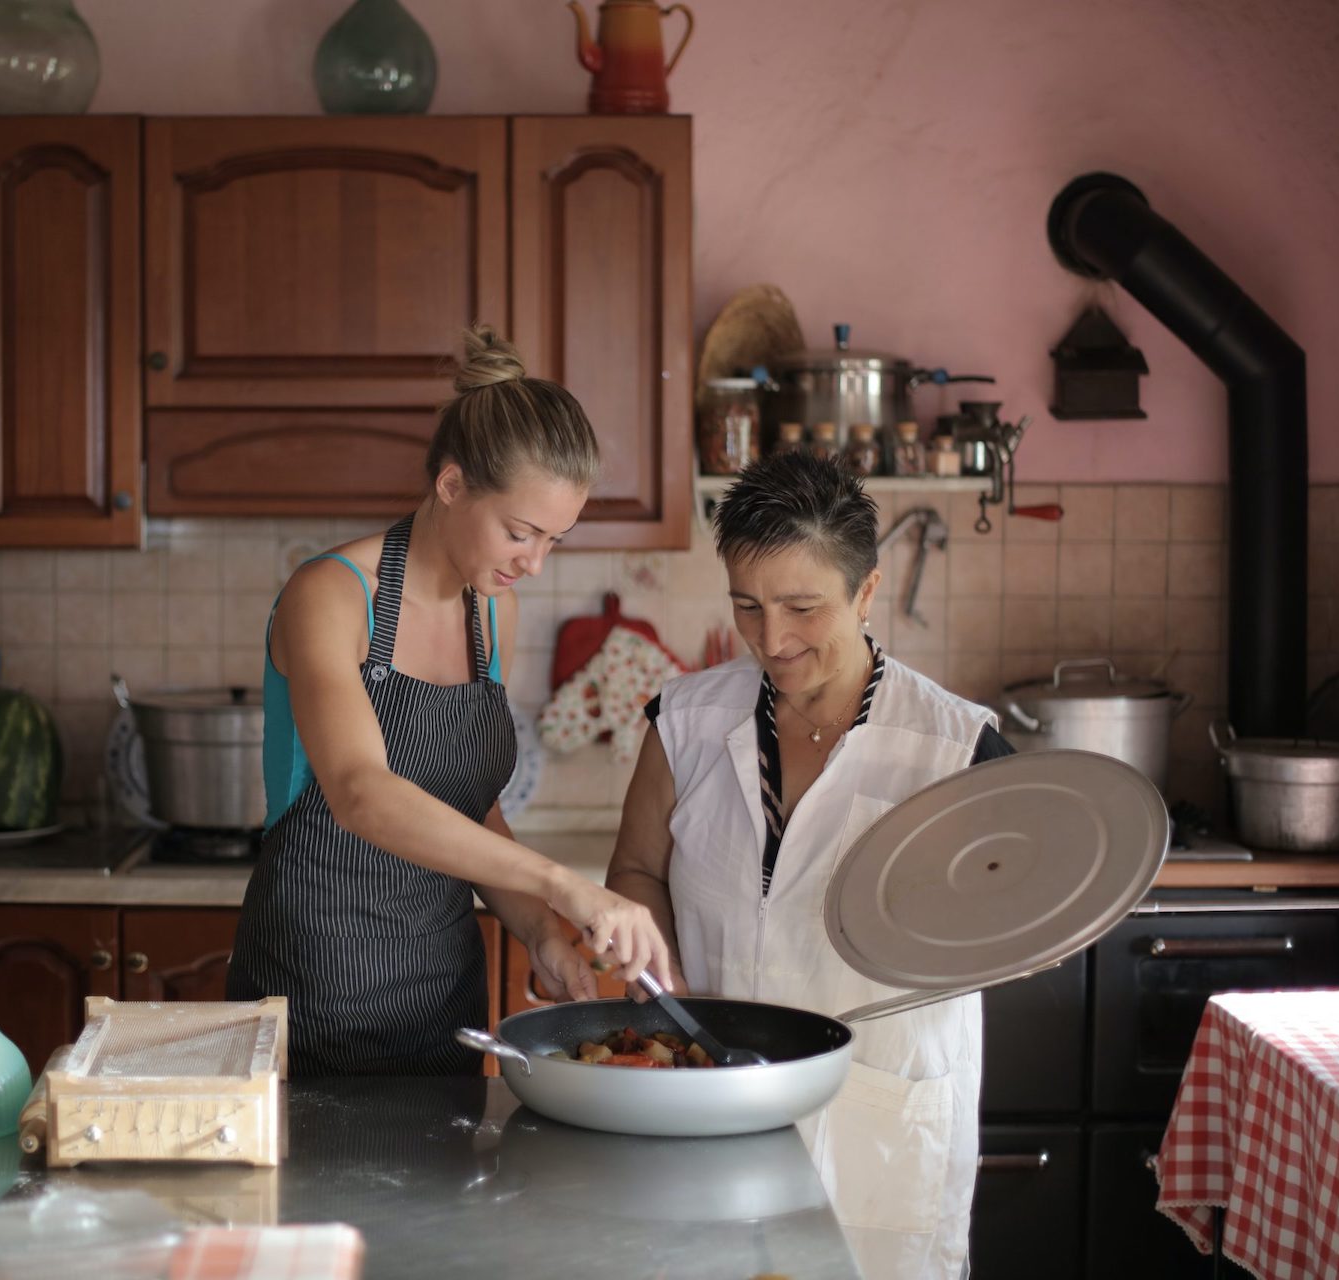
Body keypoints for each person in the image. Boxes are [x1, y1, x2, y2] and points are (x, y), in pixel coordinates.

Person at [605, 452, 1013, 1280]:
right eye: (747, 606)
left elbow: (1010, 925)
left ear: (866, 594)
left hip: (882, 1118)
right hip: (714, 1101)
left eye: (802, 607)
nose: (772, 640)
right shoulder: (683, 721)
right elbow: (638, 872)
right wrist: (657, 975)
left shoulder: (956, 747)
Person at [226, 324, 674, 1077]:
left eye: (554, 541)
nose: (533, 563)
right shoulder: (331, 596)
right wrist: (564, 885)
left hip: (442, 1001)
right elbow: (362, 794)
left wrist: (541, 931)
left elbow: (469, 807)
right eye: (520, 532)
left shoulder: (491, 611)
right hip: (312, 994)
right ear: (452, 484)